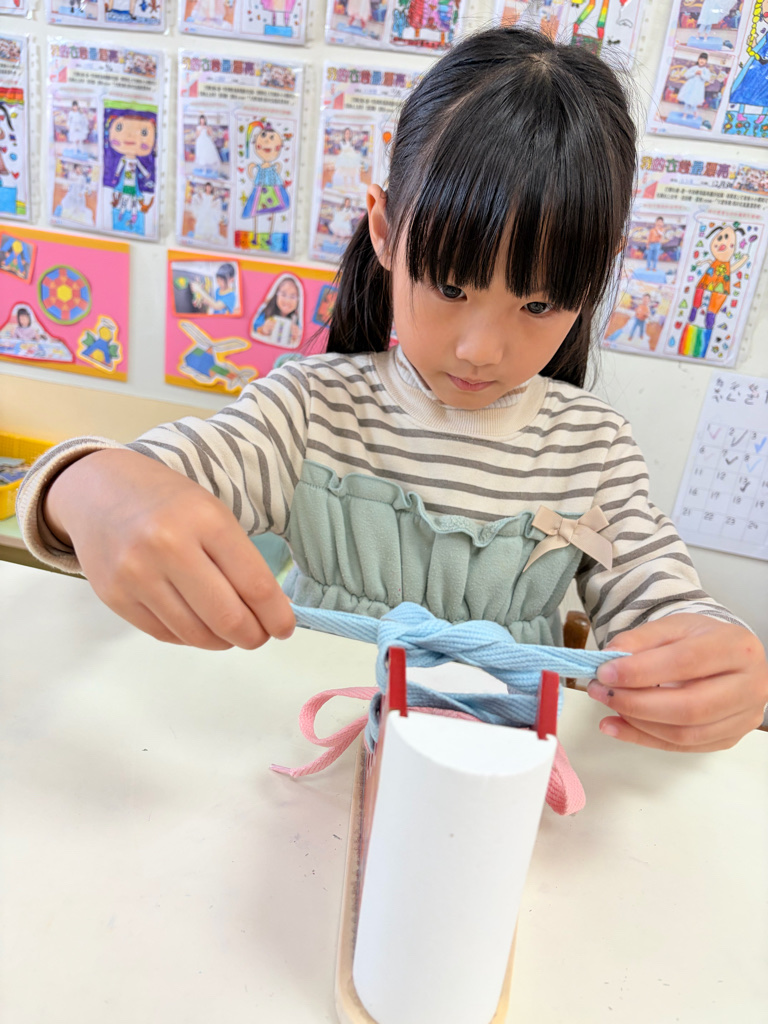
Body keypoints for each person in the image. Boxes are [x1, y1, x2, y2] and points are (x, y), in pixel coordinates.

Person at [17, 27, 768, 753]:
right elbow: (144, 475)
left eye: (538, 305)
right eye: (450, 287)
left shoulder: (593, 451)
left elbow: (663, 600)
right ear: (384, 230)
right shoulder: (308, 410)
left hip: (493, 775)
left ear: (592, 280)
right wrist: (90, 490)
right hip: (305, 748)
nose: (481, 349)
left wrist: (716, 661)